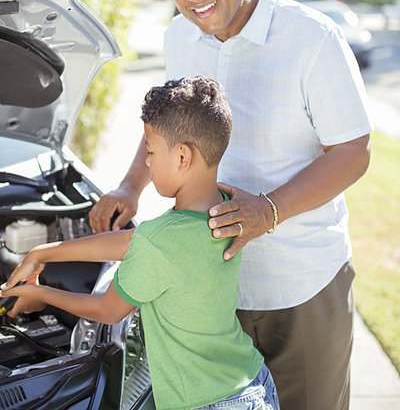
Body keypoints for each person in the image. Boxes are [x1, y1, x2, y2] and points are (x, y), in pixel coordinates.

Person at [88, 0, 373, 409]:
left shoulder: (312, 37)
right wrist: (130, 186)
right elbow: (164, 123)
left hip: (300, 282)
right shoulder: (179, 36)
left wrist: (270, 209)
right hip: (211, 287)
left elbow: (352, 151)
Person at [1, 76, 279, 410]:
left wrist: (38, 293)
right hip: (252, 381)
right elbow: (137, 241)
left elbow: (108, 310)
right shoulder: (225, 208)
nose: (145, 162)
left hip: (208, 402)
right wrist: (43, 252)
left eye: (150, 151)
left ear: (182, 157)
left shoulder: (160, 240)